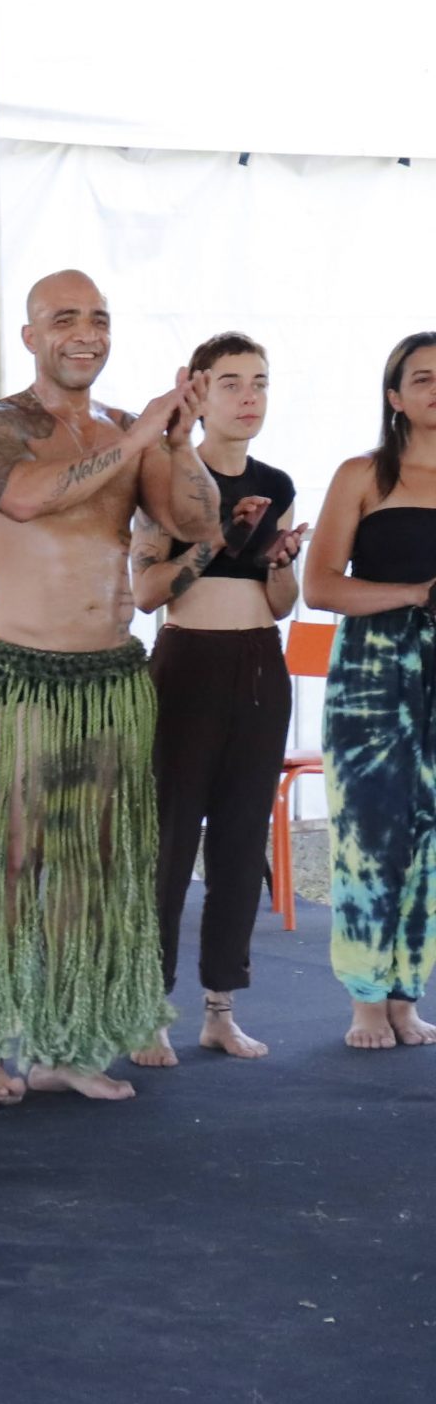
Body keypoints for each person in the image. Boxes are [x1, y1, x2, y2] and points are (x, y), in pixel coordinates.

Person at [0, 270, 222, 1106]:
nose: (86, 333)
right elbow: (26, 499)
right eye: (64, 318)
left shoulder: (124, 430)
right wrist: (137, 438)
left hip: (109, 679)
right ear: (31, 336)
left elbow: (194, 521)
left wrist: (177, 438)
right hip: (25, 677)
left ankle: (64, 1046)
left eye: (99, 319)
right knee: (12, 865)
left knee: (90, 869)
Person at [127, 333, 305, 1067]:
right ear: (198, 394)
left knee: (239, 841)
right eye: (231, 383)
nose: (249, 397)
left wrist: (279, 561)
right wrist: (217, 540)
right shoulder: (167, 477)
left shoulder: (277, 482)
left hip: (259, 663)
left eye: (259, 382)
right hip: (188, 664)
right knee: (169, 841)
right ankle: (149, 1008)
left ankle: (220, 1010)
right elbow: (145, 593)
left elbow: (282, 602)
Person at [301, 330, 436, 1049]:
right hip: (372, 671)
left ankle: (406, 995)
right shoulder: (362, 474)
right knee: (368, 830)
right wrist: (415, 594)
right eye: (423, 378)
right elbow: (319, 586)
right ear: (395, 397)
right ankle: (364, 998)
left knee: (431, 839)